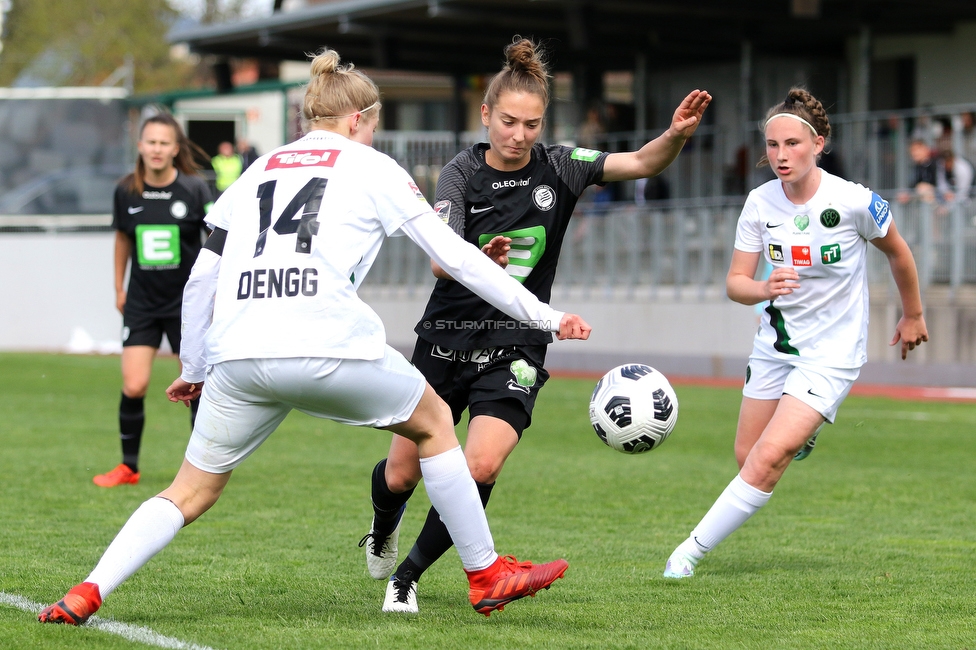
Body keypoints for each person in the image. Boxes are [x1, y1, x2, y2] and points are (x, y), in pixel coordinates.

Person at [38, 47, 591, 628]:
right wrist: (545, 317)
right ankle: (485, 573)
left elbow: (204, 272)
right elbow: (456, 255)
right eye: (373, 126)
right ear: (358, 120)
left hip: (240, 355)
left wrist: (196, 366)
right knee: (432, 423)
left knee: (188, 491)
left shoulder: (261, 167)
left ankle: (88, 589)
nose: (373, 137)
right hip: (325, 345)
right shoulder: (370, 166)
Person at [363, 37, 710, 614]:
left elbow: (643, 162)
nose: (519, 134)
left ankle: (408, 577)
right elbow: (439, 260)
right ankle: (382, 529)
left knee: (481, 465)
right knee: (401, 474)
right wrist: (481, 258)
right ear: (485, 115)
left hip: (517, 343)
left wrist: (674, 135)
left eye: (531, 123)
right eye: (508, 121)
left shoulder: (562, 166)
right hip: (447, 339)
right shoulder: (458, 174)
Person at [662, 88, 928, 580]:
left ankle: (687, 553)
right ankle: (800, 437)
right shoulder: (759, 203)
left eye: (792, 144)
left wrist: (912, 315)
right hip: (775, 346)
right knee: (747, 456)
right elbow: (736, 284)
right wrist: (763, 285)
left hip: (832, 354)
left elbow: (899, 253)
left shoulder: (853, 201)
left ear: (819, 143)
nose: (781, 156)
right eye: (772, 145)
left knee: (767, 459)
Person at [92, 112, 213, 488]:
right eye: (151, 142)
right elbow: (122, 239)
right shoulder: (126, 190)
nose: (157, 149)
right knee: (134, 385)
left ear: (175, 149)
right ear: (140, 147)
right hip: (142, 304)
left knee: (196, 387)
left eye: (164, 143)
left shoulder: (194, 189)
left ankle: (204, 468)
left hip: (185, 306)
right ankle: (129, 467)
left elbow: (214, 242)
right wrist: (118, 287)